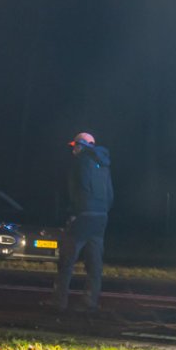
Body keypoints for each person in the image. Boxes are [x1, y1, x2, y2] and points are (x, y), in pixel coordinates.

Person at [50, 132, 113, 312]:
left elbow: (77, 190)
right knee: (95, 263)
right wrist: (101, 211)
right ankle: (90, 301)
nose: (73, 150)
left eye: (75, 146)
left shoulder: (80, 162)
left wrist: (75, 213)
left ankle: (59, 302)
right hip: (101, 218)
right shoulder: (104, 165)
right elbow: (110, 195)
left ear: (81, 146)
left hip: (83, 216)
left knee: (66, 260)